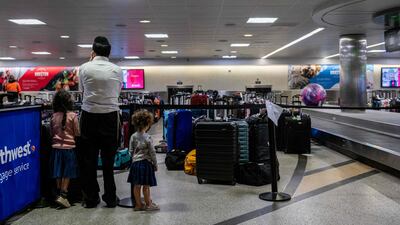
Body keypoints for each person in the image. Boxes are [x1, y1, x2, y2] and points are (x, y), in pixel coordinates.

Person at [78, 36, 123, 208]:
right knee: (108, 160)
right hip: (110, 116)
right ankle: (110, 197)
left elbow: (82, 91)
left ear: (93, 51)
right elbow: (117, 92)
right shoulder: (117, 70)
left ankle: (91, 198)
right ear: (109, 52)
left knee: (89, 159)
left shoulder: (84, 68)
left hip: (89, 115)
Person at [50, 90, 80, 208]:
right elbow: (77, 133)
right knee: (67, 173)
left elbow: (52, 133)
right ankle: (63, 195)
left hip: (56, 149)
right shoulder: (73, 116)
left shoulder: (53, 116)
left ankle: (58, 195)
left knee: (58, 172)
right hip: (69, 149)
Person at [128, 110, 159, 211]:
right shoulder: (148, 137)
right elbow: (152, 152)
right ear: (148, 124)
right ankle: (148, 204)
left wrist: (132, 160)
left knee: (136, 186)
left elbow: (130, 151)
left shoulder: (133, 136)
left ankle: (138, 205)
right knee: (146, 186)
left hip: (135, 164)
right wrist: (155, 164)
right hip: (146, 164)